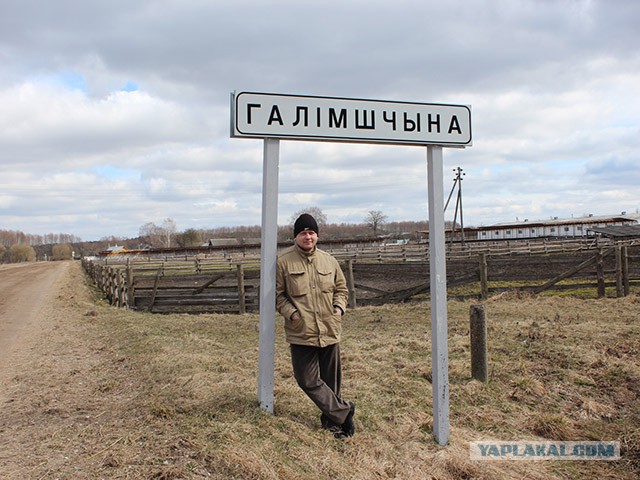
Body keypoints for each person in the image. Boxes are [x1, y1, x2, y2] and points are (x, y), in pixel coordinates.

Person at [276, 213, 356, 438]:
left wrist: (338, 309)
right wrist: (292, 314)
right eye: (303, 233)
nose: (307, 237)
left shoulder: (329, 261)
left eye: (311, 232)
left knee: (332, 382)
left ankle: (334, 425)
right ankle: (344, 413)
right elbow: (278, 295)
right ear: (295, 237)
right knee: (307, 379)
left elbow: (342, 289)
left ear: (317, 235)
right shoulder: (283, 262)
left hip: (329, 328)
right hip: (301, 331)